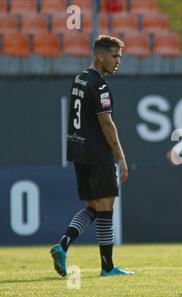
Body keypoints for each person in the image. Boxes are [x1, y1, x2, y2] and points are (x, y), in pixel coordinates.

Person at [50, 35, 133, 277]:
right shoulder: (99, 84)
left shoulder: (80, 78)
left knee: (93, 207)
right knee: (106, 207)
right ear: (100, 55)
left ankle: (63, 244)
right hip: (97, 153)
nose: (118, 61)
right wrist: (121, 157)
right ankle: (107, 267)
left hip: (78, 151)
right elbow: (106, 123)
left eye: (120, 57)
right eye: (114, 56)